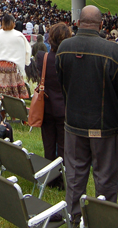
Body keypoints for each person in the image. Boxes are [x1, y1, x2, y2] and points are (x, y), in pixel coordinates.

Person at [56, 5, 118, 224]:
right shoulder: (115, 51)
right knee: (105, 179)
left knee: (75, 177)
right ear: (101, 25)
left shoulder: (64, 47)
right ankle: (103, 221)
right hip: (105, 126)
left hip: (74, 123)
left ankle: (73, 219)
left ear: (77, 23)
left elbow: (62, 82)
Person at [31, 22, 71, 171]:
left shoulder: (43, 57)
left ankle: (51, 175)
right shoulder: (67, 59)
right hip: (63, 107)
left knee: (48, 144)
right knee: (62, 145)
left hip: (47, 106)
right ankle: (60, 176)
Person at [0, 13, 32, 100]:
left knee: (1, 93)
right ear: (13, 23)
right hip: (13, 67)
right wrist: (26, 62)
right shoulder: (19, 35)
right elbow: (27, 51)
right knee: (13, 95)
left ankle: (2, 111)